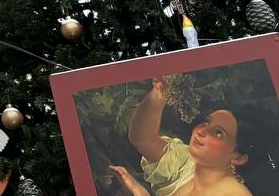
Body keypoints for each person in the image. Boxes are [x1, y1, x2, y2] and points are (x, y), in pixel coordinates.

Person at [109, 78, 255, 196]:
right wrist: (160, 93)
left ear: (238, 158)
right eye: (206, 122)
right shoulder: (187, 163)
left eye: (218, 133)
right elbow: (142, 139)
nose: (201, 131)